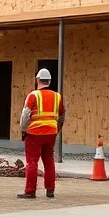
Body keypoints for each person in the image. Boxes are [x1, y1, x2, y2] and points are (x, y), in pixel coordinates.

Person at [16, 67, 64, 199]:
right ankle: (50, 190)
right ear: (49, 81)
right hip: (51, 133)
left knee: (32, 162)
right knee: (49, 161)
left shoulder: (33, 95)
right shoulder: (57, 97)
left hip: (34, 134)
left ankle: (30, 191)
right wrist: (56, 130)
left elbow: (25, 115)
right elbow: (61, 116)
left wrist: (23, 131)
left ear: (38, 80)